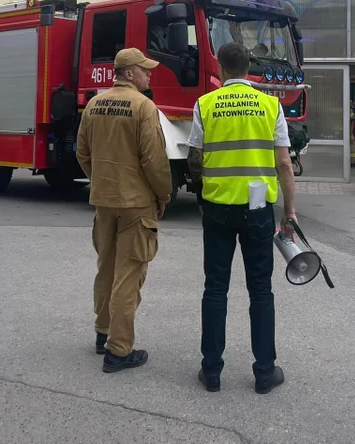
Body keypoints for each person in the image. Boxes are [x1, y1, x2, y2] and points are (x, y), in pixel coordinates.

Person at [187, 42, 298, 395]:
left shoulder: (205, 104)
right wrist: (289, 212)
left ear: (220, 68)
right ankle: (264, 373)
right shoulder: (270, 105)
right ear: (248, 67)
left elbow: (194, 159)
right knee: (260, 291)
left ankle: (212, 371)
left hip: (218, 208)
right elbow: (283, 164)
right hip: (257, 211)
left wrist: (204, 196)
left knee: (215, 289)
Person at [76, 48, 171, 374]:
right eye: (145, 70)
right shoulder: (144, 106)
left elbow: (82, 153)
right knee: (129, 276)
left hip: (104, 201)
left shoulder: (93, 104)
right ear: (129, 73)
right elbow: (154, 161)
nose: (149, 74)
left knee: (106, 269)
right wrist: (163, 195)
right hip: (136, 204)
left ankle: (103, 333)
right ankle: (119, 350)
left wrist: (101, 181)